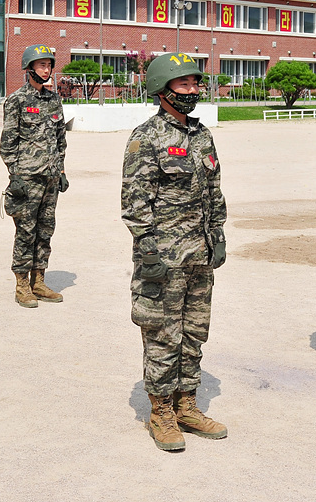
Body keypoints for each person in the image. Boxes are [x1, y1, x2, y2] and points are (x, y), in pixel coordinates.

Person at [121, 53, 228, 452]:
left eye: (194, 84)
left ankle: (187, 404)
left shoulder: (202, 136)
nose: (192, 91)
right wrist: (147, 248)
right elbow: (134, 202)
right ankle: (161, 411)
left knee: (194, 333)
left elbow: (214, 191)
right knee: (163, 335)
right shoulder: (145, 137)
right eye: (183, 85)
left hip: (199, 254)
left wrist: (217, 233)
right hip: (163, 259)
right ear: (163, 90)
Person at [0, 44, 67, 308]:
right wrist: (14, 174)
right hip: (27, 179)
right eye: (41, 65)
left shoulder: (54, 100)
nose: (47, 69)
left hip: (50, 178)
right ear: (29, 69)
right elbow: (8, 142)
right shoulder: (16, 100)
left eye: (49, 65)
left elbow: (60, 138)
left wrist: (61, 169)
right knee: (26, 232)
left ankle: (39, 280)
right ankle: (22, 285)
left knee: (46, 231)